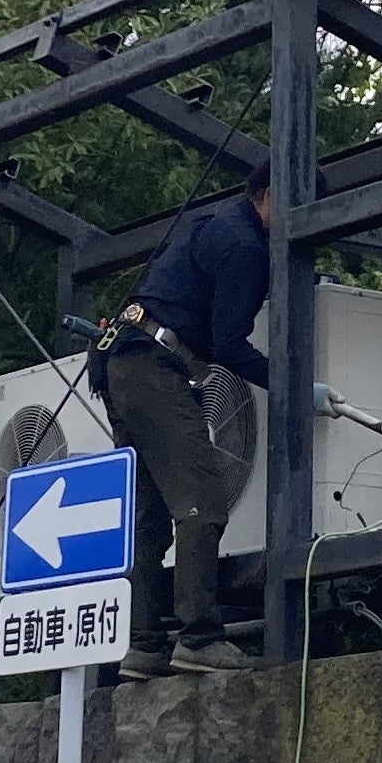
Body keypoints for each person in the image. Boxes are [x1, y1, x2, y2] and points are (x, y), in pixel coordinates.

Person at [99, 167, 271, 675]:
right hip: (157, 368)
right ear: (271, 196)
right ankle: (198, 637)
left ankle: (144, 645)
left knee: (150, 517)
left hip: (120, 362)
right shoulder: (246, 247)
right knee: (203, 501)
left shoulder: (212, 221)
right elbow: (229, 345)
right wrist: (294, 382)